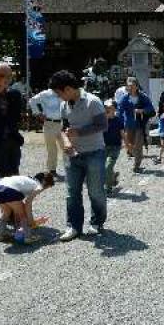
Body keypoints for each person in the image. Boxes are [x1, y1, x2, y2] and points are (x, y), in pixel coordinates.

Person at [50, 70, 108, 242]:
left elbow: (103, 125)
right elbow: (62, 129)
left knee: (96, 191)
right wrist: (66, 142)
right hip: (72, 155)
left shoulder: (93, 101)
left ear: (67, 89)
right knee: (72, 192)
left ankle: (97, 222)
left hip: (94, 152)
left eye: (59, 93)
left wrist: (79, 132)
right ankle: (73, 226)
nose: (59, 97)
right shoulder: (64, 105)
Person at [0, 62, 24, 231]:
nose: (8, 79)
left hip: (11, 145)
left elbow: (15, 118)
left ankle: (11, 215)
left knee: (11, 182)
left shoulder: (15, 95)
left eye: (10, 76)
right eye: (4, 76)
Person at [0, 172, 54, 244]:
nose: (44, 190)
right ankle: (27, 237)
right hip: (9, 190)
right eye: (47, 187)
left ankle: (2, 234)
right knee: (22, 214)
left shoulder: (27, 180)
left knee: (6, 212)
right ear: (45, 182)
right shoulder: (38, 186)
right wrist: (31, 220)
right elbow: (28, 202)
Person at [118, 77, 155, 172]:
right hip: (128, 125)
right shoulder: (124, 98)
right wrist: (119, 124)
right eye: (128, 86)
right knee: (129, 145)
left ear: (136, 86)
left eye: (132, 86)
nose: (130, 87)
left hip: (139, 124)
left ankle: (137, 165)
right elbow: (119, 111)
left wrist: (142, 110)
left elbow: (151, 108)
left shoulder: (143, 96)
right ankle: (135, 155)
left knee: (138, 145)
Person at [29, 87, 63, 176]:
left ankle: (71, 169)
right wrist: (38, 113)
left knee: (67, 147)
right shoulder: (45, 94)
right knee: (51, 148)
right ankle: (52, 170)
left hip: (63, 123)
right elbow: (32, 101)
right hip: (49, 123)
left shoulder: (64, 92)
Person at [103, 100, 123, 195]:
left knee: (108, 166)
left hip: (115, 147)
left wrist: (128, 145)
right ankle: (113, 177)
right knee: (106, 167)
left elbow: (122, 133)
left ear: (114, 109)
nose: (107, 109)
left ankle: (108, 187)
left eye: (109, 107)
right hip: (104, 147)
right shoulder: (102, 120)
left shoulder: (118, 120)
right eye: (106, 107)